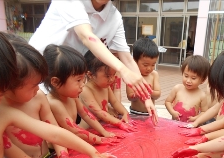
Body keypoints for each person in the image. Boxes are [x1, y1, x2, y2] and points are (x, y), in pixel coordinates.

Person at [0, 33, 118, 158]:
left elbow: (54, 132)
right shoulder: (5, 110)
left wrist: (84, 153)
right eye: (33, 85)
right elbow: (8, 148)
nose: (38, 89)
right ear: (9, 85)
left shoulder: (24, 105)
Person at [28, 0, 158, 125]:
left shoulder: (114, 17)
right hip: (38, 80)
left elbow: (127, 58)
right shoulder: (69, 1)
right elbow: (87, 36)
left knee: (69, 127)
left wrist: (146, 97)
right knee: (42, 132)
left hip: (69, 86)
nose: (111, 79)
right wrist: (123, 70)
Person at [42, 44, 126, 143]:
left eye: (83, 79)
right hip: (58, 150)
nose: (82, 85)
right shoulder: (54, 103)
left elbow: (87, 115)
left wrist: (104, 132)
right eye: (78, 80)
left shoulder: (72, 97)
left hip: (74, 142)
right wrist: (100, 139)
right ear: (56, 82)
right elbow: (75, 130)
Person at [79, 49, 137, 132]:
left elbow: (115, 102)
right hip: (88, 129)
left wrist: (125, 113)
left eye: (113, 75)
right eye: (108, 76)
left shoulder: (105, 87)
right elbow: (99, 113)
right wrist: (119, 123)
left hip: (103, 125)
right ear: (91, 75)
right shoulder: (85, 91)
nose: (112, 79)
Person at [165, 55, 209, 122]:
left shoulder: (202, 95)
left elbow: (204, 112)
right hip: (175, 123)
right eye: (186, 76)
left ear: (203, 80)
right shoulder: (177, 88)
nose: (188, 81)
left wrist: (195, 118)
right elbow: (168, 102)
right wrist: (172, 112)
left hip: (190, 126)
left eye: (193, 78)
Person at [126, 38, 161, 116]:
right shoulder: (131, 75)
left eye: (153, 65)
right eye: (145, 65)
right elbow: (130, 97)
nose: (149, 68)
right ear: (135, 60)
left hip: (150, 112)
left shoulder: (154, 75)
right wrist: (138, 93)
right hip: (135, 112)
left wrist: (148, 91)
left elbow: (158, 94)